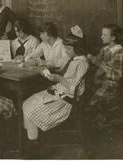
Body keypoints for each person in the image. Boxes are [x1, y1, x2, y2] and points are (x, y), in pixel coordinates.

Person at [22, 26, 88, 156]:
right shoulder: (74, 59)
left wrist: (58, 78)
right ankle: (32, 139)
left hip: (67, 98)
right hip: (59, 90)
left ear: (78, 48)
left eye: (69, 49)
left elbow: (73, 89)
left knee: (30, 108)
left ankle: (34, 145)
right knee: (27, 102)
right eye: (66, 48)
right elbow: (63, 72)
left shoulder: (82, 63)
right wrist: (46, 72)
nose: (66, 51)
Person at [86, 24, 123, 147]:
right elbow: (96, 66)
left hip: (111, 84)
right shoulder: (104, 50)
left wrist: (100, 64)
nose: (101, 36)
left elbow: (116, 76)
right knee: (82, 93)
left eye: (104, 34)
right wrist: (91, 60)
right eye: (102, 33)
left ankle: (95, 139)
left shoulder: (119, 52)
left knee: (91, 105)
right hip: (100, 81)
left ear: (113, 37)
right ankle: (93, 129)